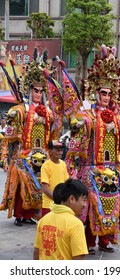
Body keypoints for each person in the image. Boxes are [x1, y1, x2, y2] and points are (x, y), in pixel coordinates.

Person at [65, 45, 120, 254]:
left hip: (111, 169)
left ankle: (105, 241)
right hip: (91, 170)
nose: (106, 96)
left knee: (112, 207)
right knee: (89, 207)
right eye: (103, 92)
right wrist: (72, 168)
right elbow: (75, 146)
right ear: (95, 91)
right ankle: (89, 242)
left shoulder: (118, 120)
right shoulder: (87, 118)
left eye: (110, 93)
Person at [0, 49, 59, 226]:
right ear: (29, 90)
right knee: (22, 185)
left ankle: (30, 214)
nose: (38, 94)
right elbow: (9, 135)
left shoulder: (48, 112)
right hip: (25, 154)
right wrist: (5, 156)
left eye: (41, 91)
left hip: (42, 154)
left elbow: (54, 134)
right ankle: (20, 214)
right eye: (35, 90)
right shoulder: (21, 110)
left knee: (40, 187)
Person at [33, 178, 88, 260]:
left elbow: (36, 253)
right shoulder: (76, 224)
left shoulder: (43, 220)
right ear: (72, 199)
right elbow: (78, 258)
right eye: (83, 200)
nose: (84, 205)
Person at [41, 140, 69, 217]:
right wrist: (57, 199)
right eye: (57, 150)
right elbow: (45, 188)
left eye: (61, 150)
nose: (60, 152)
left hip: (61, 205)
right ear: (50, 151)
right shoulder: (46, 165)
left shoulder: (63, 164)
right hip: (49, 205)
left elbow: (66, 182)